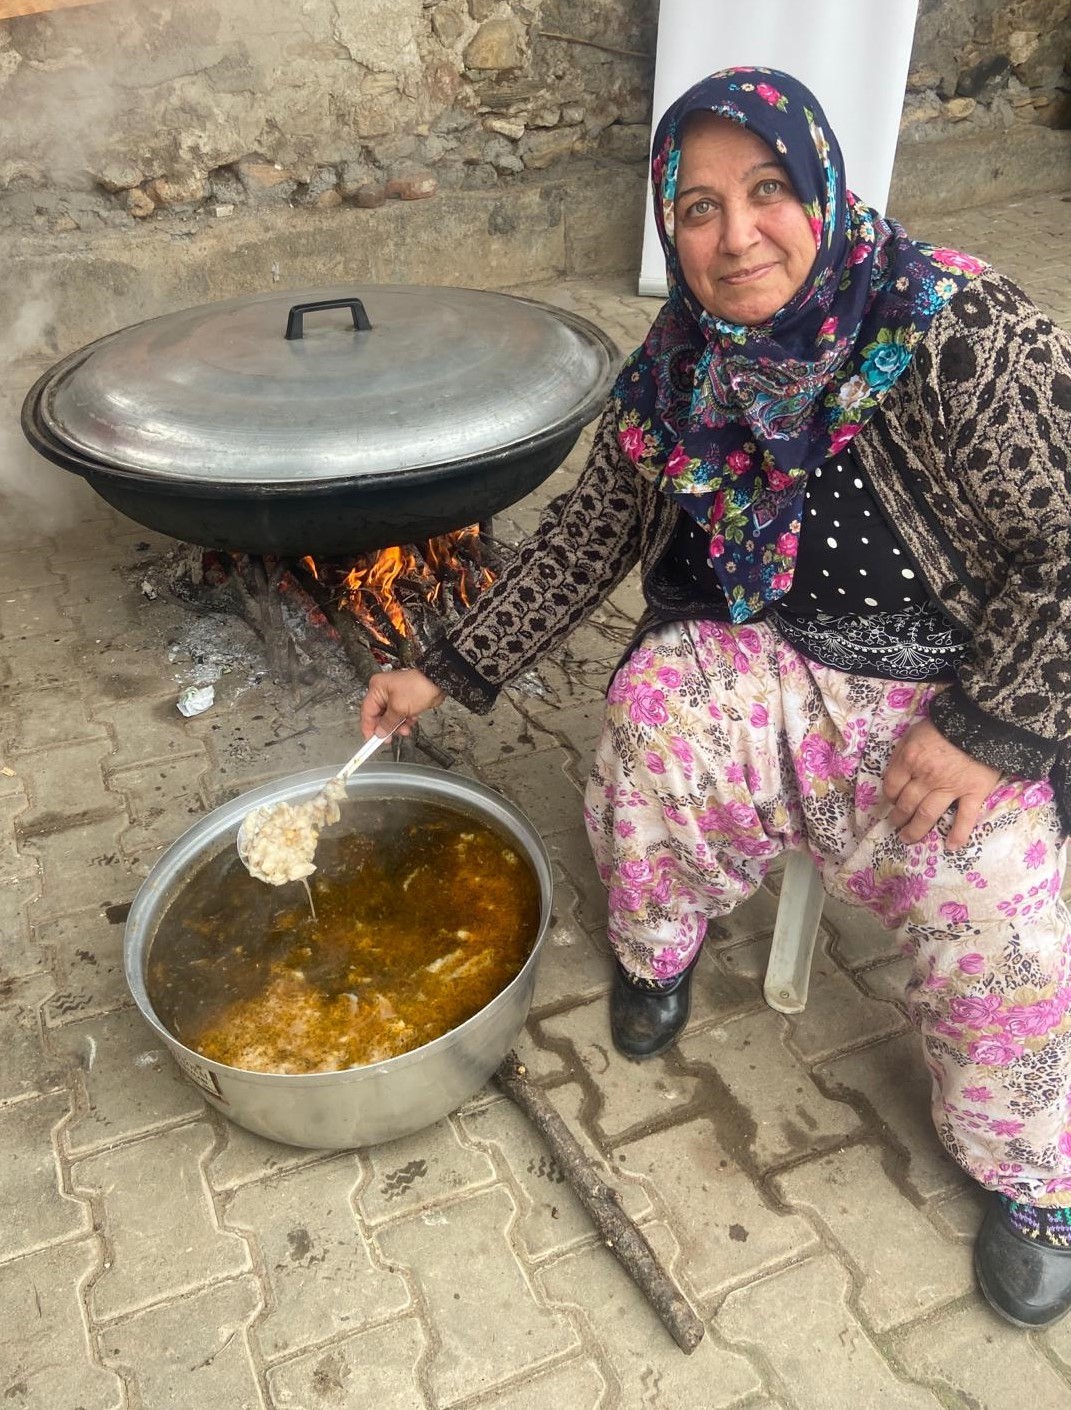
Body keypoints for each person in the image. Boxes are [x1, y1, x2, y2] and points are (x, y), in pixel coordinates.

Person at [360, 68, 1071, 1328]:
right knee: (651, 725)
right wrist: (443, 668)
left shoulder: (960, 325)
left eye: (768, 190)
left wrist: (984, 731)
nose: (735, 235)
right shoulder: (683, 360)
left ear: (827, 193)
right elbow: (590, 532)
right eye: (696, 207)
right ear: (667, 226)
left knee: (1001, 901)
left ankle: (1033, 1175)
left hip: (951, 692)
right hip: (756, 653)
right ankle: (658, 952)